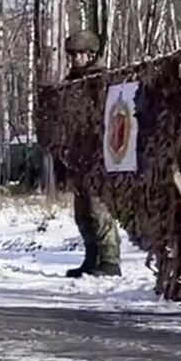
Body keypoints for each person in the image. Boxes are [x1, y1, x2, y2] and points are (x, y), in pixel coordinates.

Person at [63, 29, 121, 278]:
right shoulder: (71, 83)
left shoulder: (104, 81)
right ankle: (91, 256)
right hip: (78, 153)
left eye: (79, 54)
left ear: (91, 54)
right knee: (82, 210)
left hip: (101, 153)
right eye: (72, 54)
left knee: (100, 208)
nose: (75, 59)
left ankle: (109, 259)